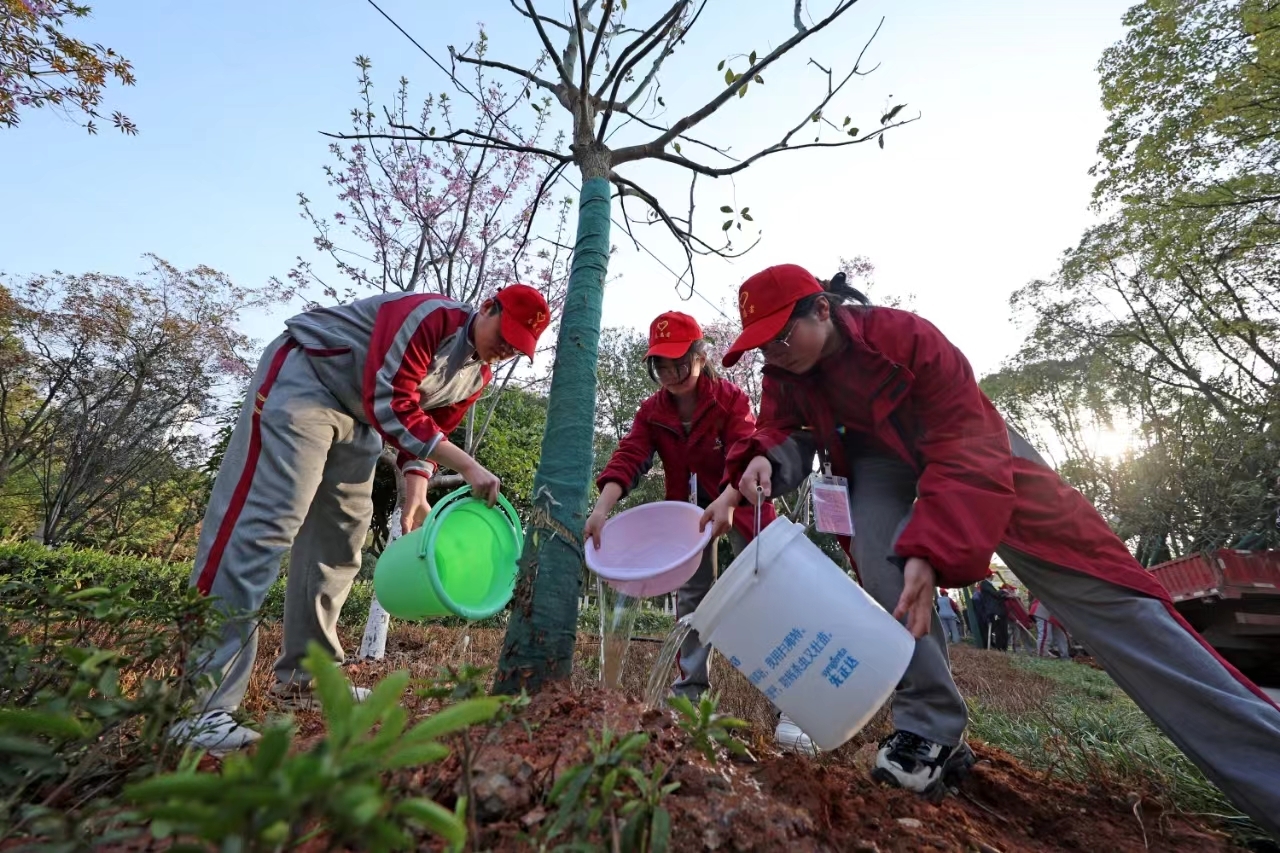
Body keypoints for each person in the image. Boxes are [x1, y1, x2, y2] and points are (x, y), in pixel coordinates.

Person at [700, 263, 1280, 831]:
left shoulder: (907, 338)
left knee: (1115, 599)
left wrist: (932, 542)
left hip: (979, 459)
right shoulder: (785, 374)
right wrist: (756, 467)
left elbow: (964, 442)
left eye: (781, 336)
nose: (774, 354)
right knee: (884, 565)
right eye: (761, 347)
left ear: (823, 309)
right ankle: (930, 730)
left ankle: (1265, 770)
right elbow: (786, 434)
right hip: (877, 468)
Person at [170, 285, 552, 752]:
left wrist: (415, 493)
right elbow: (393, 400)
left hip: (360, 417)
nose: (506, 348)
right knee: (263, 529)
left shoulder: (476, 375)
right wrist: (467, 465)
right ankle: (201, 709)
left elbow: (429, 430)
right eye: (505, 334)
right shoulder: (430, 318)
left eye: (518, 348)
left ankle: (305, 680)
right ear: (488, 307)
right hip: (306, 380)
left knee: (341, 543)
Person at [584, 312, 811, 753]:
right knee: (692, 601)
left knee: (767, 590)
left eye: (678, 363)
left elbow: (748, 451)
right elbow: (631, 454)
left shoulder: (729, 399)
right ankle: (687, 697)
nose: (670, 375)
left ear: (699, 356)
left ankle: (794, 702)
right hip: (688, 518)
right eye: (660, 366)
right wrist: (601, 509)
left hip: (742, 501)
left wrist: (727, 501)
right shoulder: (652, 411)